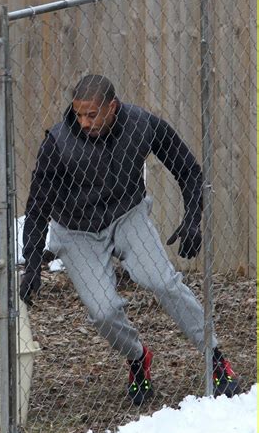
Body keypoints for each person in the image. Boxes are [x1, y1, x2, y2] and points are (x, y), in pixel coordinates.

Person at [20, 74, 241, 406]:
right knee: (104, 311)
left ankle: (215, 359)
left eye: (91, 114)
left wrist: (192, 220)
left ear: (112, 107)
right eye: (78, 114)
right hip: (76, 231)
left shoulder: (141, 124)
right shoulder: (58, 143)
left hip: (127, 215)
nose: (83, 122)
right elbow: (37, 207)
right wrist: (32, 264)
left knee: (162, 281)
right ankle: (138, 358)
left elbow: (189, 170)